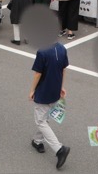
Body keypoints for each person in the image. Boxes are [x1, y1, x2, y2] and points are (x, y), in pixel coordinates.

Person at [29, 40, 70, 170]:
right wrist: (61, 86)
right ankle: (37, 141)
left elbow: (38, 74)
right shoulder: (62, 48)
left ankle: (59, 149)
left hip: (44, 91)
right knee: (45, 117)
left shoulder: (42, 51)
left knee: (40, 121)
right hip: (55, 89)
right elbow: (63, 70)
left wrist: (32, 90)